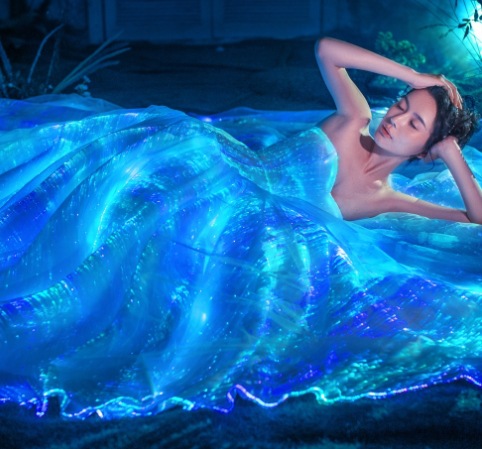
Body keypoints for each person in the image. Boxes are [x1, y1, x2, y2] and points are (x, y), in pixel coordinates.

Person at [315, 37, 482, 223]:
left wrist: (451, 152)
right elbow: (325, 49)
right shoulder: (353, 119)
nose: (395, 120)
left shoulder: (390, 202)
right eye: (401, 106)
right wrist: (412, 76)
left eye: (413, 124)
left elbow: (478, 220)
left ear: (423, 152)